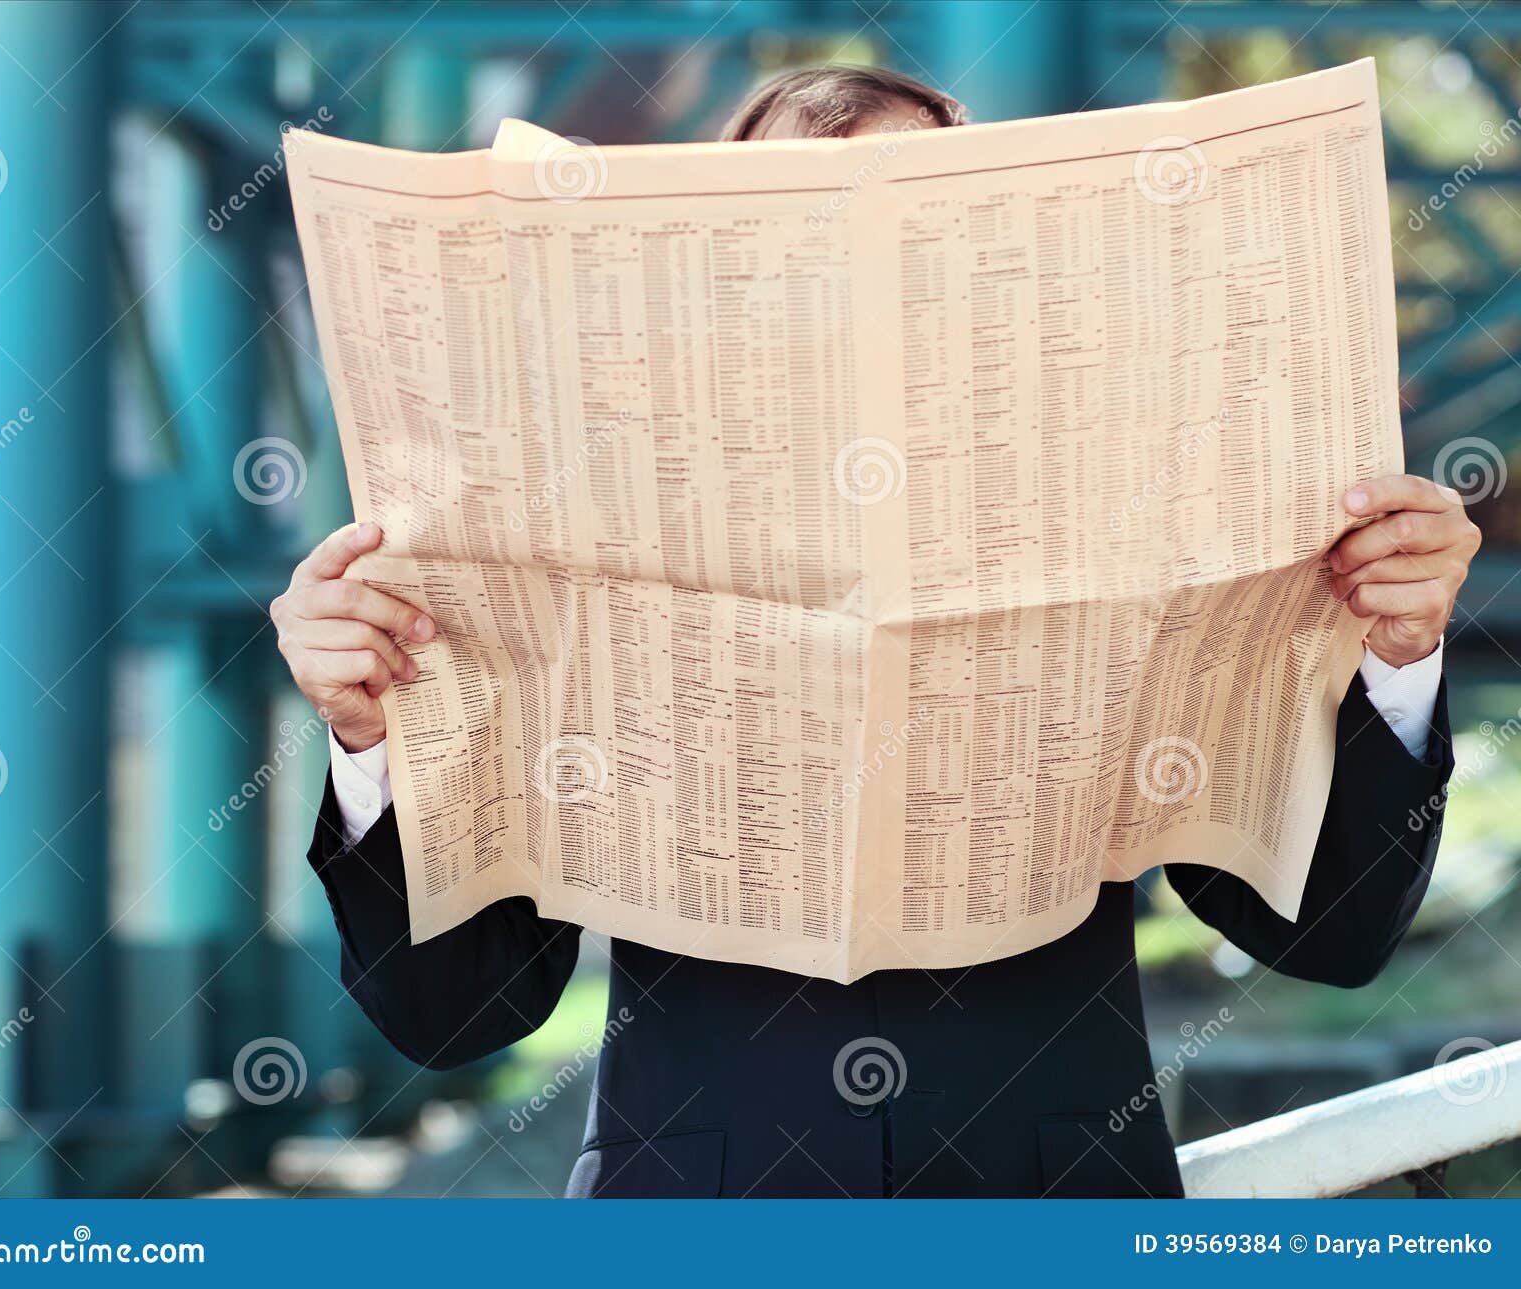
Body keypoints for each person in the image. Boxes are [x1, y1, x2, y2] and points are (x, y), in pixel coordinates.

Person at [271, 66, 1477, 1197]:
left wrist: (1400, 653)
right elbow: (452, 1018)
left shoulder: (1125, 511)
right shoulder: (570, 544)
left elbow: (1329, 934)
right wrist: (370, 743)